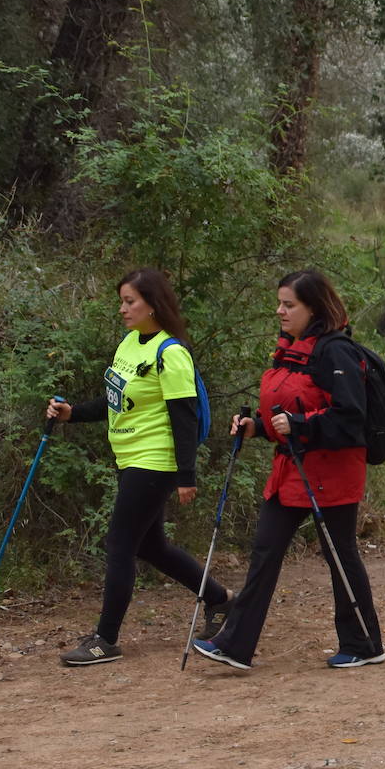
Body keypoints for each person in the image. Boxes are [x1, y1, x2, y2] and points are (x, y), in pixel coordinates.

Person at [193, 269, 385, 670]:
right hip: (291, 470)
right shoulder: (292, 351)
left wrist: (299, 426)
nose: (280, 311)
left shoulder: (335, 352)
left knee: (340, 554)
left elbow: (350, 418)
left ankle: (364, 644)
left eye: (288, 304)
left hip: (331, 473)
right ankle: (234, 645)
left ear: (312, 307)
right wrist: (257, 427)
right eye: (279, 303)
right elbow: (288, 410)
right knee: (265, 551)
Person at [49, 269, 233, 666]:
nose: (123, 309)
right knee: (151, 546)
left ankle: (105, 640)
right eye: (122, 301)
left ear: (153, 304)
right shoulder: (131, 344)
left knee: (119, 543)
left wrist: (187, 476)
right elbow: (115, 399)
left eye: (130, 301)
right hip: (129, 457)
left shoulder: (172, 354)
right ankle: (221, 600)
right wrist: (72, 414)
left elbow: (183, 419)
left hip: (155, 461)